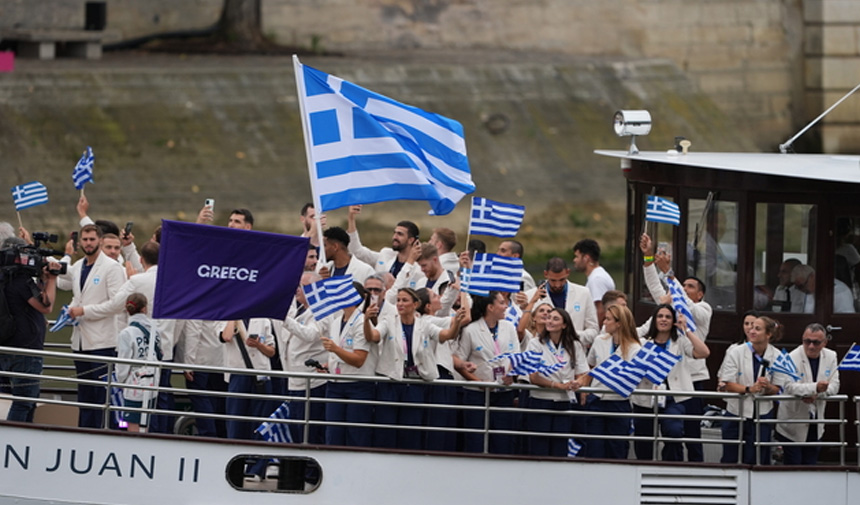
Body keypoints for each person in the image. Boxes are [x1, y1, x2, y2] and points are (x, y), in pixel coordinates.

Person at [68, 241, 179, 433]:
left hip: (138, 352)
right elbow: (181, 319)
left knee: (138, 404)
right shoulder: (174, 282)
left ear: (142, 260)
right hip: (165, 349)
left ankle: (142, 437)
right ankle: (164, 437)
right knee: (161, 399)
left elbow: (114, 306)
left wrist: (82, 310)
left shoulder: (137, 282)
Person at [640, 232, 712, 462]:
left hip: (692, 379)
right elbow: (654, 286)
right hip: (667, 379)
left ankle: (696, 470)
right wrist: (649, 258)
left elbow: (686, 303)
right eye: (684, 285)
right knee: (671, 431)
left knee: (691, 432)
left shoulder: (703, 310)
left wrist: (670, 275)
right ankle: (672, 465)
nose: (684, 288)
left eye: (690, 286)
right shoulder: (669, 311)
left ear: (699, 294)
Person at [365, 287, 466, 449]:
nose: (400, 304)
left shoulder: (424, 324)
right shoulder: (388, 322)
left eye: (404, 300)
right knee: (386, 429)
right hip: (391, 382)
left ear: (415, 304)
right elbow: (373, 337)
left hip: (414, 383)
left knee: (411, 430)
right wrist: (366, 320)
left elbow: (447, 336)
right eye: (398, 300)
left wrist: (457, 323)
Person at [57, 224, 127, 428]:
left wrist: (84, 311)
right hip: (80, 342)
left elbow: (116, 304)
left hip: (103, 342)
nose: (88, 243)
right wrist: (70, 310)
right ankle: (84, 433)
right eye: (85, 240)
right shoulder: (78, 266)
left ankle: (105, 434)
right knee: (85, 395)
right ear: (80, 242)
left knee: (103, 397)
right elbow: (76, 296)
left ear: (99, 241)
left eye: (92, 239)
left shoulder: (112, 268)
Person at [632, 304, 709, 461]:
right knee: (643, 440)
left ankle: (671, 467)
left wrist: (686, 330)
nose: (663, 320)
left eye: (668, 317)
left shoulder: (680, 341)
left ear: (673, 321)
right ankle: (643, 470)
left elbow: (704, 352)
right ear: (654, 320)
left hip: (673, 398)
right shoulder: (642, 343)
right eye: (660, 316)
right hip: (646, 397)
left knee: (674, 432)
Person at [454, 291, 520, 454]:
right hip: (477, 394)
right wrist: (478, 382)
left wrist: (511, 374)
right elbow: (459, 362)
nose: (505, 307)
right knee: (476, 438)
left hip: (504, 392)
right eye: (501, 303)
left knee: (503, 439)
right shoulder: (471, 330)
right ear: (490, 307)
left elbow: (516, 356)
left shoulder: (509, 327)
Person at [0, 237, 57, 422]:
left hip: (8, 346)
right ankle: (13, 438)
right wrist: (52, 279)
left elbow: (20, 307)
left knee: (26, 400)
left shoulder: (4, 278)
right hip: (25, 350)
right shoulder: (21, 281)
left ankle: (23, 436)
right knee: (24, 401)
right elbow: (45, 306)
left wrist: (41, 278)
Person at [574, 304, 641, 459]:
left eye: (608, 319)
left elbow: (632, 378)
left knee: (616, 450)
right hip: (596, 401)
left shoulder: (635, 348)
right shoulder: (599, 341)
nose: (604, 322)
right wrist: (583, 383)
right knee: (593, 449)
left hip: (618, 403)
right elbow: (591, 366)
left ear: (619, 323)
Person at [718, 316, 787, 464]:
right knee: (731, 456)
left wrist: (767, 387)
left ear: (768, 334)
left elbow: (777, 388)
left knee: (757, 458)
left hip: (762, 414)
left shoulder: (778, 356)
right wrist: (749, 389)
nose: (752, 331)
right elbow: (728, 383)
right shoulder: (735, 352)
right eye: (751, 327)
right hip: (736, 412)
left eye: (757, 328)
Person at [524, 308, 588, 457]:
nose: (550, 321)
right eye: (548, 318)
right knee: (539, 447)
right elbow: (533, 377)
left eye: (555, 319)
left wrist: (578, 383)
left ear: (564, 325)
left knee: (560, 448)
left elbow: (582, 372)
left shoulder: (574, 345)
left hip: (564, 401)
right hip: (541, 400)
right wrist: (558, 385)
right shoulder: (535, 343)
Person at [776, 323, 840, 465]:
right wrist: (815, 388)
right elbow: (789, 386)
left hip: (816, 422)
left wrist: (817, 395)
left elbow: (835, 386)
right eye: (807, 341)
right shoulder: (791, 357)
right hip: (792, 423)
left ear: (824, 343)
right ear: (802, 340)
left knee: (810, 464)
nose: (811, 346)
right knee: (794, 465)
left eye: (816, 342)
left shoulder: (831, 356)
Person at [280, 271, 329, 444]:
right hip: (295, 379)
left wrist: (283, 317)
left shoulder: (323, 310)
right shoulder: (301, 309)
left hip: (312, 382)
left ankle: (311, 469)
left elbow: (310, 334)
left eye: (302, 285)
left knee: (310, 431)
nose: (297, 289)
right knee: (296, 429)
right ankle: (299, 466)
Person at [523, 257, 599, 347]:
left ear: (568, 272)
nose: (557, 285)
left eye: (562, 280)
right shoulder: (530, 296)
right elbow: (524, 332)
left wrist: (571, 336)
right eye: (553, 280)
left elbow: (594, 330)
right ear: (545, 274)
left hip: (575, 353)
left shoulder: (584, 293)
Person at [115, 293, 162, 433]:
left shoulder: (126, 333)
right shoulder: (154, 330)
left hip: (134, 382)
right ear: (144, 309)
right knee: (145, 422)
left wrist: (120, 381)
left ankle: (133, 450)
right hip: (152, 380)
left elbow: (123, 361)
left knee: (133, 423)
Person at [346, 205, 425, 286]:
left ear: (411, 240)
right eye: (394, 233)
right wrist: (351, 218)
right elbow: (357, 252)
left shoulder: (419, 268)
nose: (394, 237)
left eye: (400, 234)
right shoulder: (386, 254)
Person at [572, 238, 615, 325]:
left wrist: (595, 334)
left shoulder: (597, 279)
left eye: (577, 256)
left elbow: (601, 311)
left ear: (586, 258)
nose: (574, 260)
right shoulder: (596, 276)